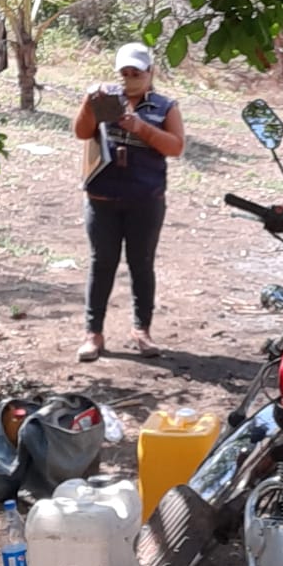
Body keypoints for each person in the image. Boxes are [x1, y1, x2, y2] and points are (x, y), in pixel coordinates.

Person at [73, 43, 185, 362]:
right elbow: (82, 132)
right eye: (125, 72)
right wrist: (89, 104)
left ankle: (142, 330)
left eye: (137, 73)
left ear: (151, 73)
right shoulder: (107, 98)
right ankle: (93, 334)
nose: (130, 78)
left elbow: (176, 147)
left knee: (141, 263)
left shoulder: (165, 106)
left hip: (145, 199)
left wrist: (141, 128)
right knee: (102, 262)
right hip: (102, 197)